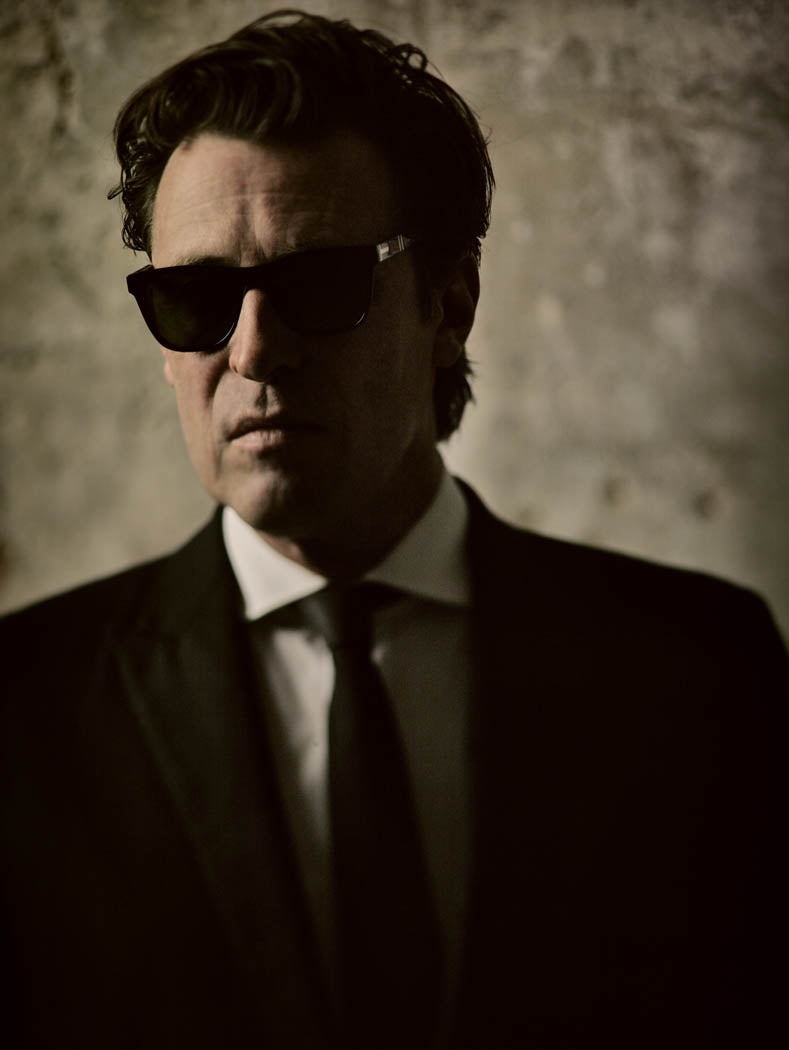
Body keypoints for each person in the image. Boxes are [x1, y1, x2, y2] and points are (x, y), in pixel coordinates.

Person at [1, 10, 786, 1050]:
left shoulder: (698, 671)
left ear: (448, 307)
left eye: (317, 285)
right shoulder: (24, 711)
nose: (254, 352)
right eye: (195, 298)